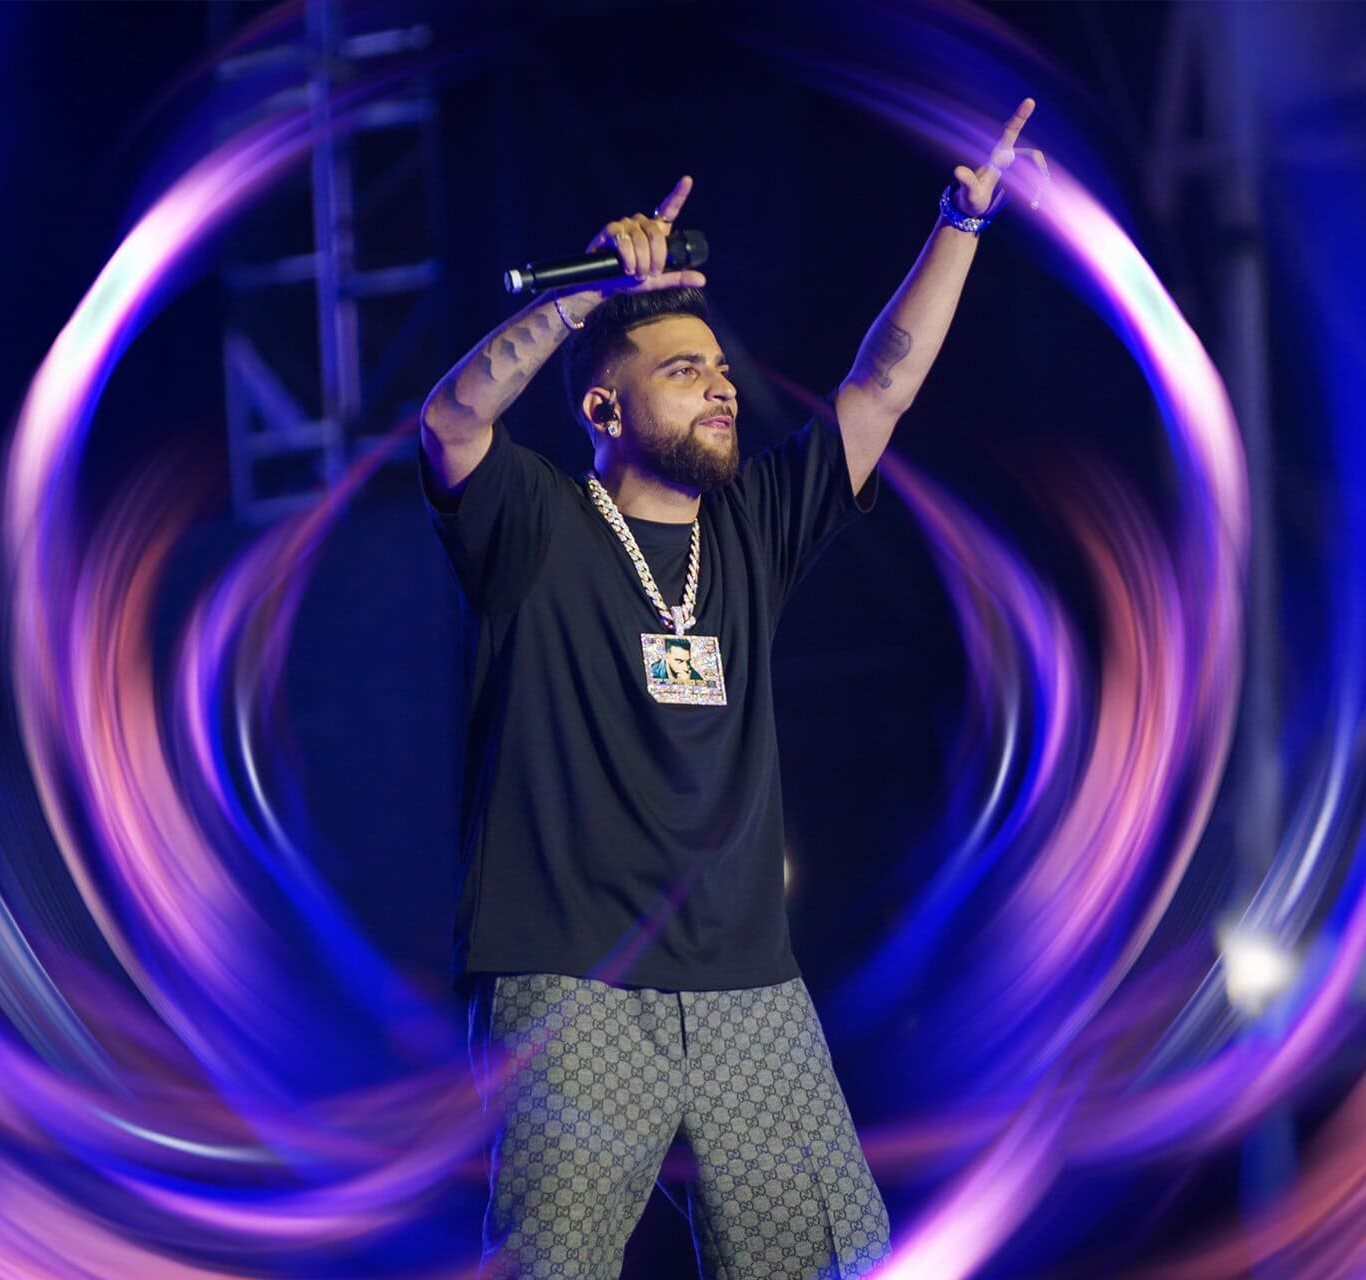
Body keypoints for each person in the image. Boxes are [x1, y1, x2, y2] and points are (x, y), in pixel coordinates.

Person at [419, 98, 1039, 1279]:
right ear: (603, 408)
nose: (720, 388)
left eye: (718, 368)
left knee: (829, 1261)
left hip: (752, 985)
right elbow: (453, 418)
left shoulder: (749, 527)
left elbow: (879, 388)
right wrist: (587, 294)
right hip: (572, 983)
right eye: (681, 369)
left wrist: (962, 223)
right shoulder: (535, 521)